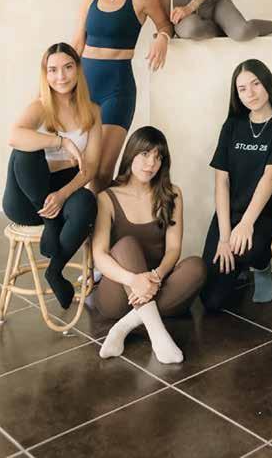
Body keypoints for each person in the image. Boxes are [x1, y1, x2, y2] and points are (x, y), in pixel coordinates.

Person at [93, 126, 206, 364]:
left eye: (158, 157)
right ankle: (158, 336)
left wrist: (156, 276)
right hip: (118, 291)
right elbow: (99, 255)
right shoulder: (107, 198)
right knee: (126, 245)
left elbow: (174, 249)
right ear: (131, 154)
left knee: (197, 266)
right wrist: (133, 280)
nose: (151, 163)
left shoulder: (172, 194)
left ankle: (123, 327)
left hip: (156, 285)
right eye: (145, 154)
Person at [2, 43, 101, 308]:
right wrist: (60, 142)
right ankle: (51, 223)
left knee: (87, 202)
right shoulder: (41, 107)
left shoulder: (92, 111)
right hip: (26, 200)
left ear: (77, 70)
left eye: (67, 68)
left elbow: (91, 166)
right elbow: (13, 136)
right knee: (25, 151)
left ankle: (55, 270)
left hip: (61, 192)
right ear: (45, 74)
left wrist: (62, 194)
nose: (61, 76)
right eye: (53, 70)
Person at [72, 0, 173, 191]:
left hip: (117, 90)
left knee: (103, 170)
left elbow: (165, 24)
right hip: (84, 86)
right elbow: (77, 43)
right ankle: (81, 214)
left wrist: (162, 38)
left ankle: (101, 216)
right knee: (78, 165)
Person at [200, 59, 272, 310]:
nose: (250, 93)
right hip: (230, 214)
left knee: (250, 248)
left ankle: (260, 264)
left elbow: (271, 177)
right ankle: (239, 266)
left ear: (268, 84)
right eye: (242, 89)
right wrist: (225, 237)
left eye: (256, 84)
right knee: (211, 301)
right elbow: (221, 181)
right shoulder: (232, 125)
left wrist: (246, 224)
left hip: (264, 215)